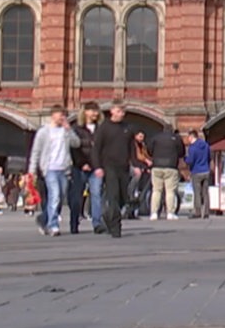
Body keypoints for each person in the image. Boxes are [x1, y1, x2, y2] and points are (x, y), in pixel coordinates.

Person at [29, 105, 78, 236]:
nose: (62, 117)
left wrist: (69, 130)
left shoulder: (65, 131)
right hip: (50, 168)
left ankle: (43, 218)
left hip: (64, 169)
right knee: (54, 195)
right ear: (53, 115)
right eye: (60, 114)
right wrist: (32, 170)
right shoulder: (44, 132)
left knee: (59, 198)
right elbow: (36, 151)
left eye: (64, 115)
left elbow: (76, 143)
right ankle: (53, 225)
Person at [91, 102, 135, 238]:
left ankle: (107, 216)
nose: (121, 114)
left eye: (122, 112)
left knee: (123, 197)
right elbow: (96, 149)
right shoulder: (104, 128)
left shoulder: (127, 128)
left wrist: (136, 165)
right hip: (109, 166)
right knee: (113, 196)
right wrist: (97, 167)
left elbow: (131, 148)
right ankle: (116, 227)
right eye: (118, 111)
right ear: (112, 111)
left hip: (124, 167)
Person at [70, 102, 103, 234]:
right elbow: (74, 149)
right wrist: (82, 163)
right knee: (77, 196)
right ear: (85, 112)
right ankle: (74, 223)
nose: (94, 113)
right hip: (79, 167)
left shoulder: (101, 129)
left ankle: (97, 224)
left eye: (96, 111)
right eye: (91, 111)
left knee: (96, 194)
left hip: (96, 167)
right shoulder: (77, 129)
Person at [145, 124, 184, 221]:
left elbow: (149, 150)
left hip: (157, 166)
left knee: (156, 190)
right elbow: (182, 152)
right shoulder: (176, 138)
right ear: (172, 130)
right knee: (170, 191)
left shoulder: (156, 137)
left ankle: (153, 213)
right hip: (171, 166)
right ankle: (170, 213)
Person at [185, 129, 212, 219]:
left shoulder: (192, 148)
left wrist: (185, 159)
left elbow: (190, 160)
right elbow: (209, 157)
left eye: (188, 137)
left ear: (192, 137)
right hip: (206, 170)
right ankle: (207, 212)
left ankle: (198, 212)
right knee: (205, 193)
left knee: (197, 192)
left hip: (196, 171)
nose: (187, 139)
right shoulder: (206, 145)